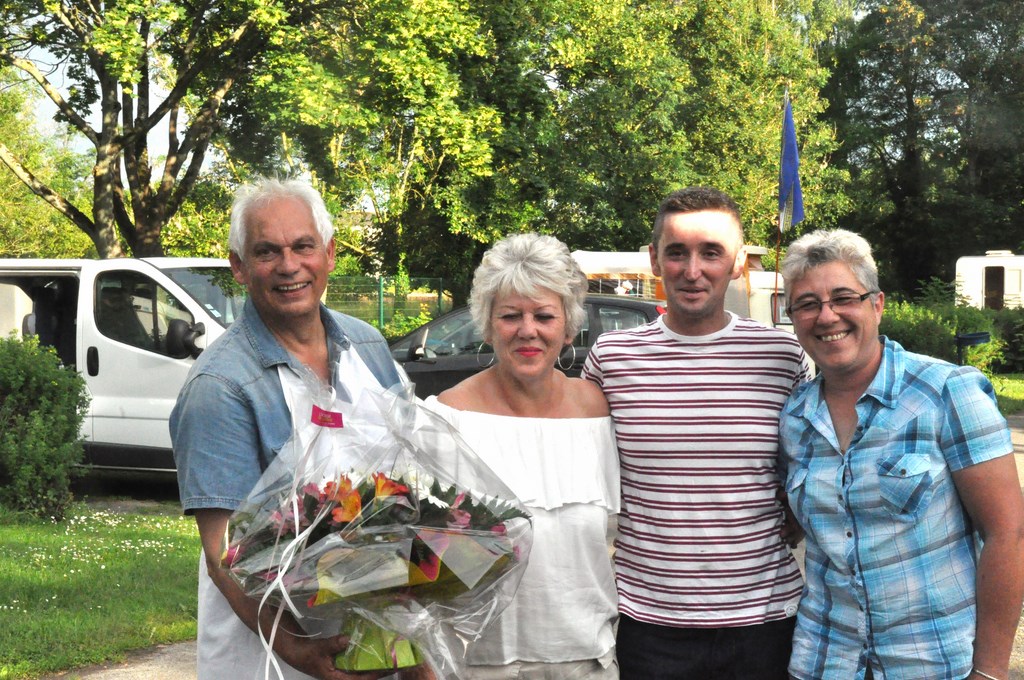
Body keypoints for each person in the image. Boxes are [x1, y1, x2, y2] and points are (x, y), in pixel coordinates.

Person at [169, 178, 411, 680]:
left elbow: (409, 488)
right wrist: (295, 650)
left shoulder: (368, 348)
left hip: (376, 642)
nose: (289, 265)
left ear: (329, 253)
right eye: (266, 251)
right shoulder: (220, 386)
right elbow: (222, 555)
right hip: (272, 658)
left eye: (303, 246)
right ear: (239, 265)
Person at [582, 186, 810, 680]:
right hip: (647, 622)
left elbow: (809, 463)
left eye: (711, 253)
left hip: (765, 621)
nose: (692, 270)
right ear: (653, 259)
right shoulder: (612, 358)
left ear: (737, 264)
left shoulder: (781, 357)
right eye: (677, 252)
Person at [778, 229, 1024, 680]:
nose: (826, 315)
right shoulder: (794, 417)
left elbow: (1008, 534)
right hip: (824, 660)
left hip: (931, 663)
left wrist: (989, 671)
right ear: (793, 317)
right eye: (807, 304)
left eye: (842, 297)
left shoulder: (947, 392)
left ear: (876, 303)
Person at [423, 232, 620, 679]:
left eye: (544, 316)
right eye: (511, 315)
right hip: (473, 666)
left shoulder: (599, 414)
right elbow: (418, 555)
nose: (527, 330)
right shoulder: (447, 420)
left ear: (568, 327)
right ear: (488, 324)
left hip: (585, 662)